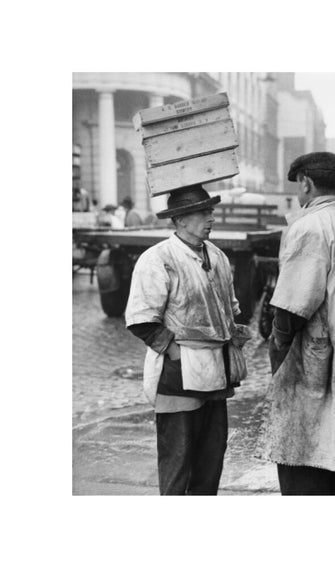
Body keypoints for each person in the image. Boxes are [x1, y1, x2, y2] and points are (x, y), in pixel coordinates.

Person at [255, 152, 335, 495]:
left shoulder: (308, 226)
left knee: (303, 453)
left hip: (314, 358)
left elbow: (291, 306)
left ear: (305, 182)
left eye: (298, 186)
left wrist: (278, 353)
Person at [125, 184, 249, 495]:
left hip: (216, 373)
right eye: (203, 212)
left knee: (210, 458)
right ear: (180, 220)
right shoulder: (158, 259)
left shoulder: (218, 257)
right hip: (177, 375)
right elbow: (141, 319)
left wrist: (234, 332)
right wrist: (176, 352)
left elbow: (230, 307)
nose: (212, 218)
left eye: (211, 211)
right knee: (178, 460)